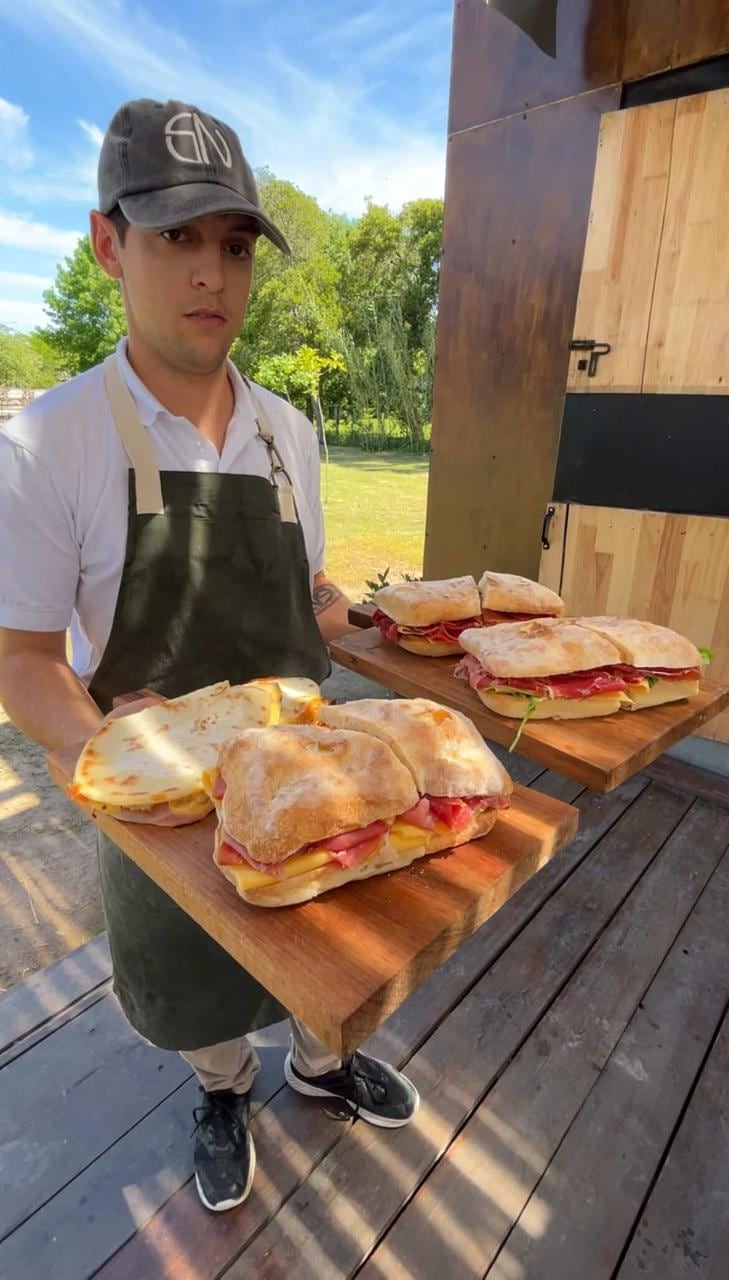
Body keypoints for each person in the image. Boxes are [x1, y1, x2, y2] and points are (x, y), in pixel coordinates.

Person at [0, 99, 418, 1213]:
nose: (211, 275)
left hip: (310, 783)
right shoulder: (50, 442)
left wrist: (394, 627)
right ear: (107, 244)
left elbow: (305, 596)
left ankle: (320, 1066)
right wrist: (117, 750)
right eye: (175, 236)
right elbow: (26, 655)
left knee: (330, 962)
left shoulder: (293, 434)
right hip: (163, 818)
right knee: (201, 990)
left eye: (232, 245)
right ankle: (225, 1087)